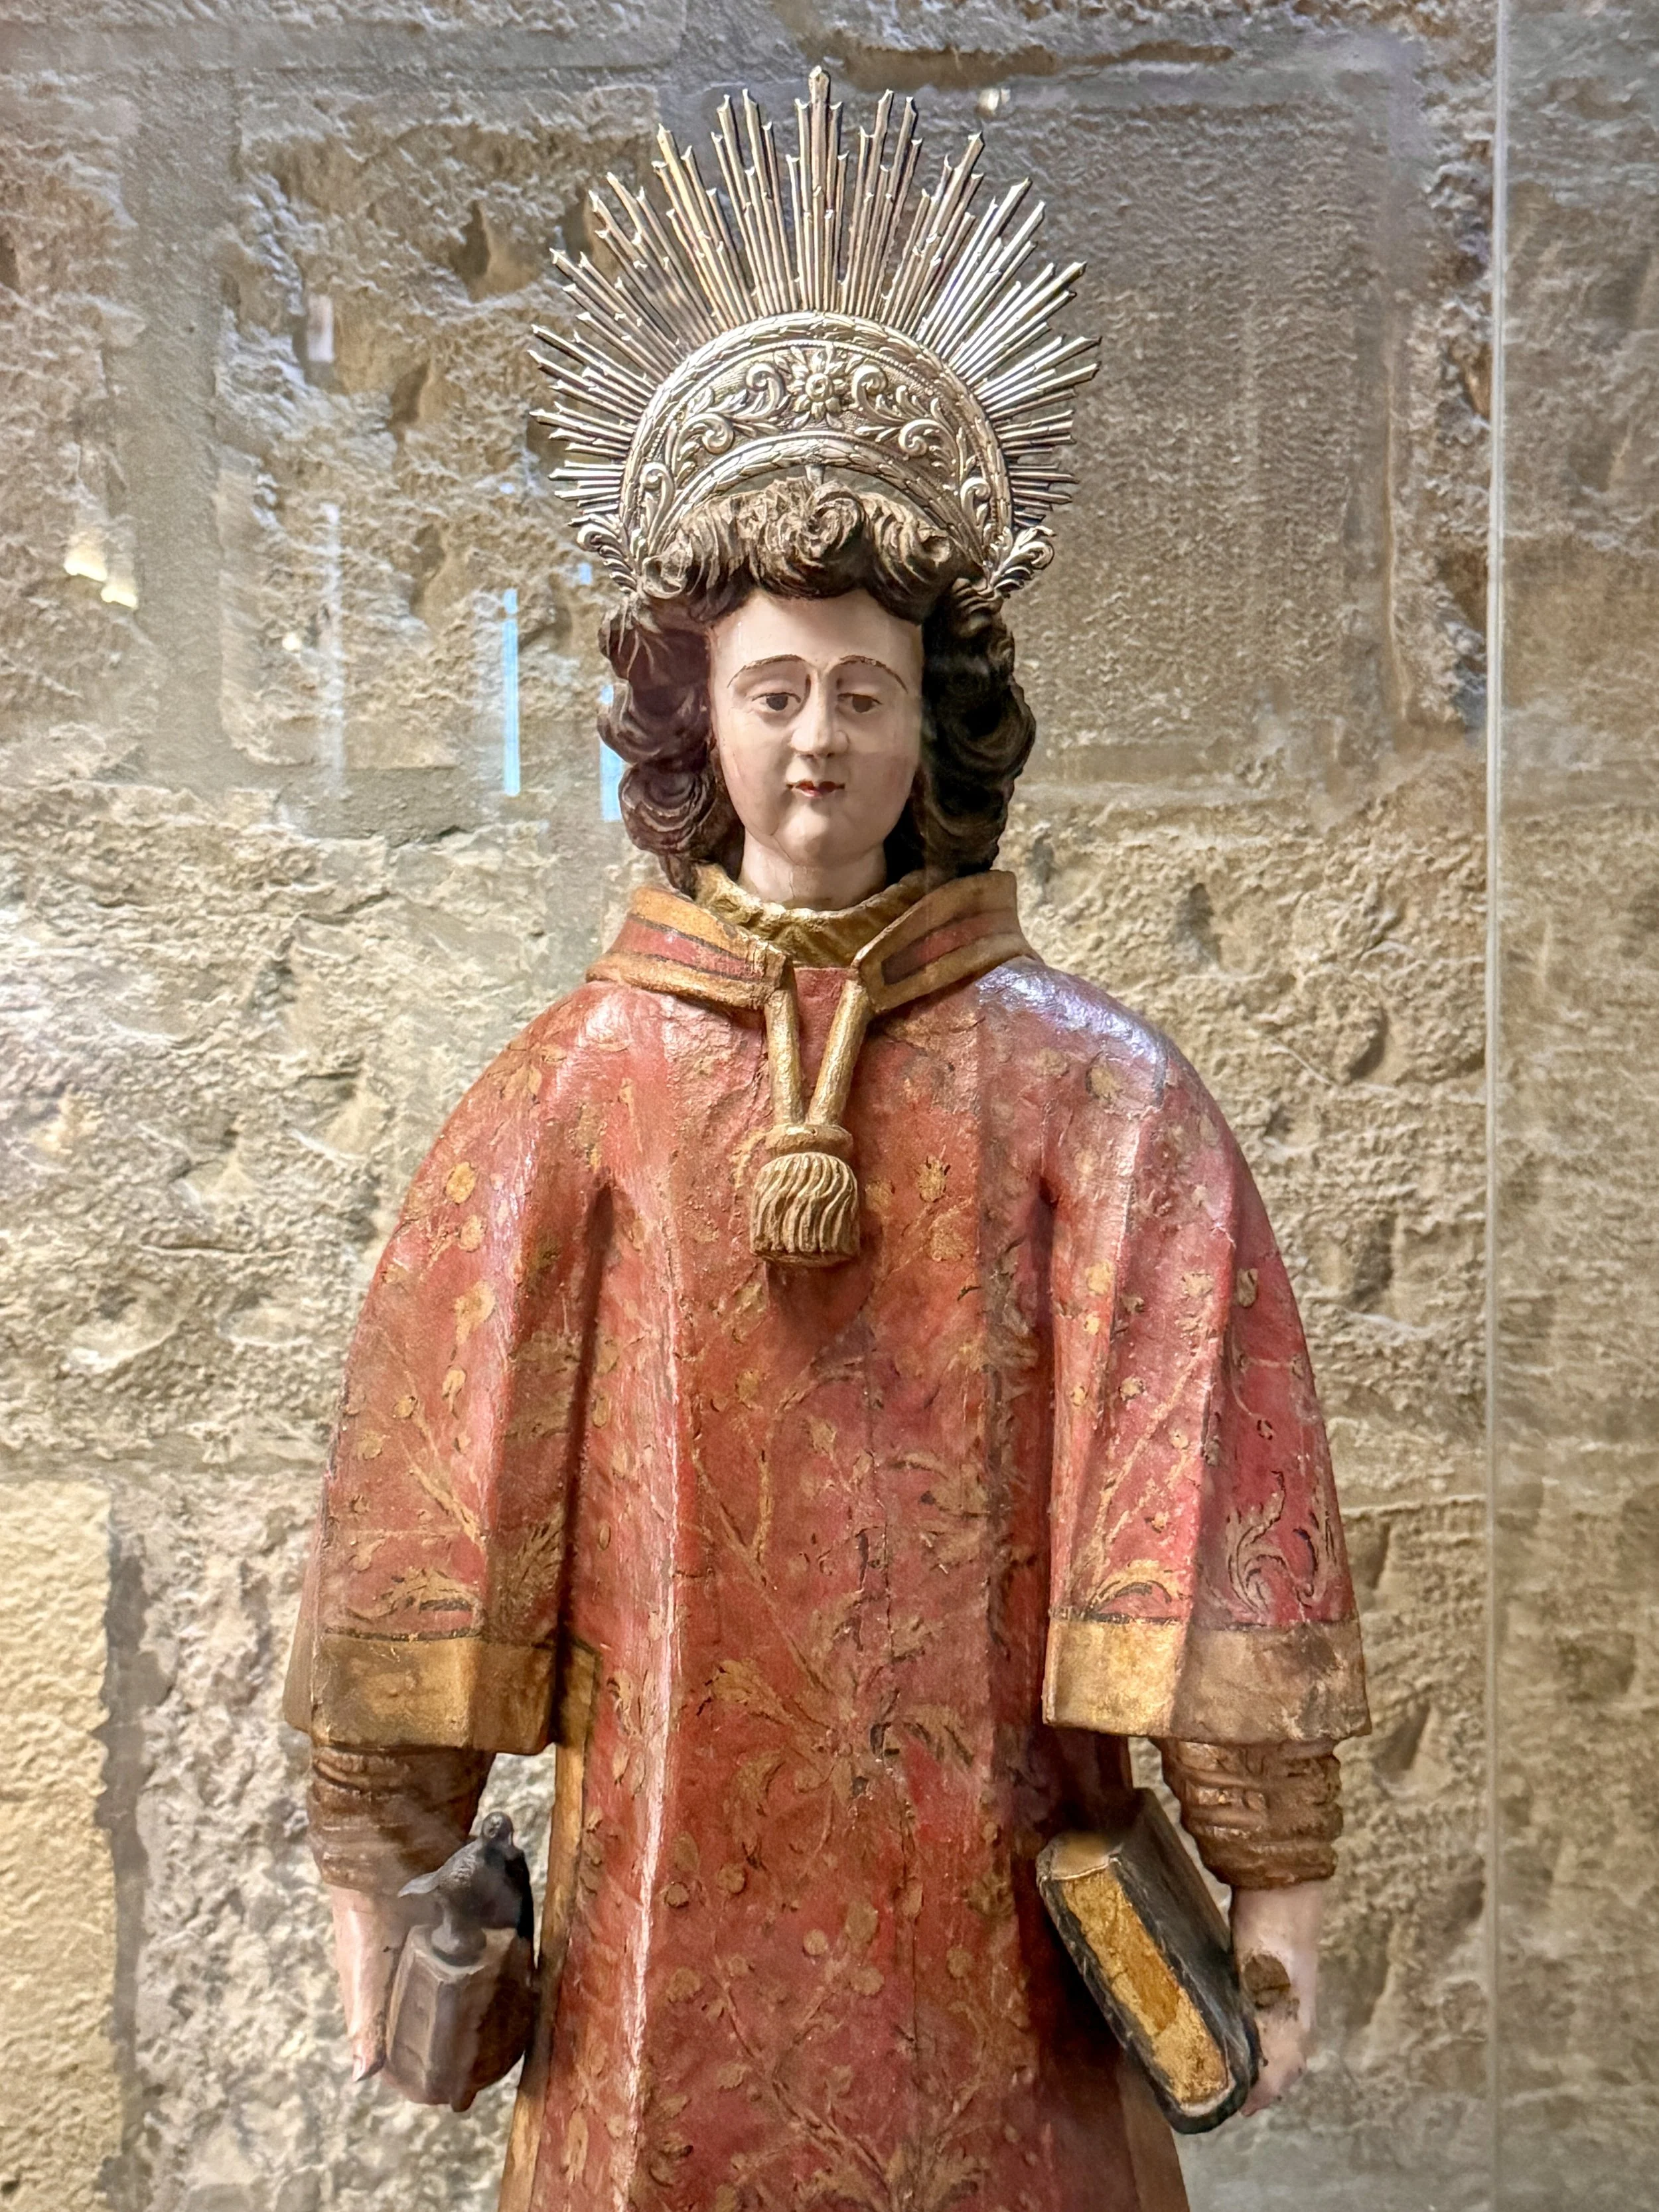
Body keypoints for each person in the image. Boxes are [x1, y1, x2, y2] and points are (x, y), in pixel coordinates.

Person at [285, 74, 1368, 2212]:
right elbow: (437, 1491)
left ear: (927, 723)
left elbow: (1198, 1471)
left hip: (1004, 1926)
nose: (817, 742)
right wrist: (381, 1854)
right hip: (654, 1920)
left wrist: (1274, 1861)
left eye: (861, 692)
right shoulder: (576, 1089)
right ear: (697, 717)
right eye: (774, 689)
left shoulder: (1092, 1093)